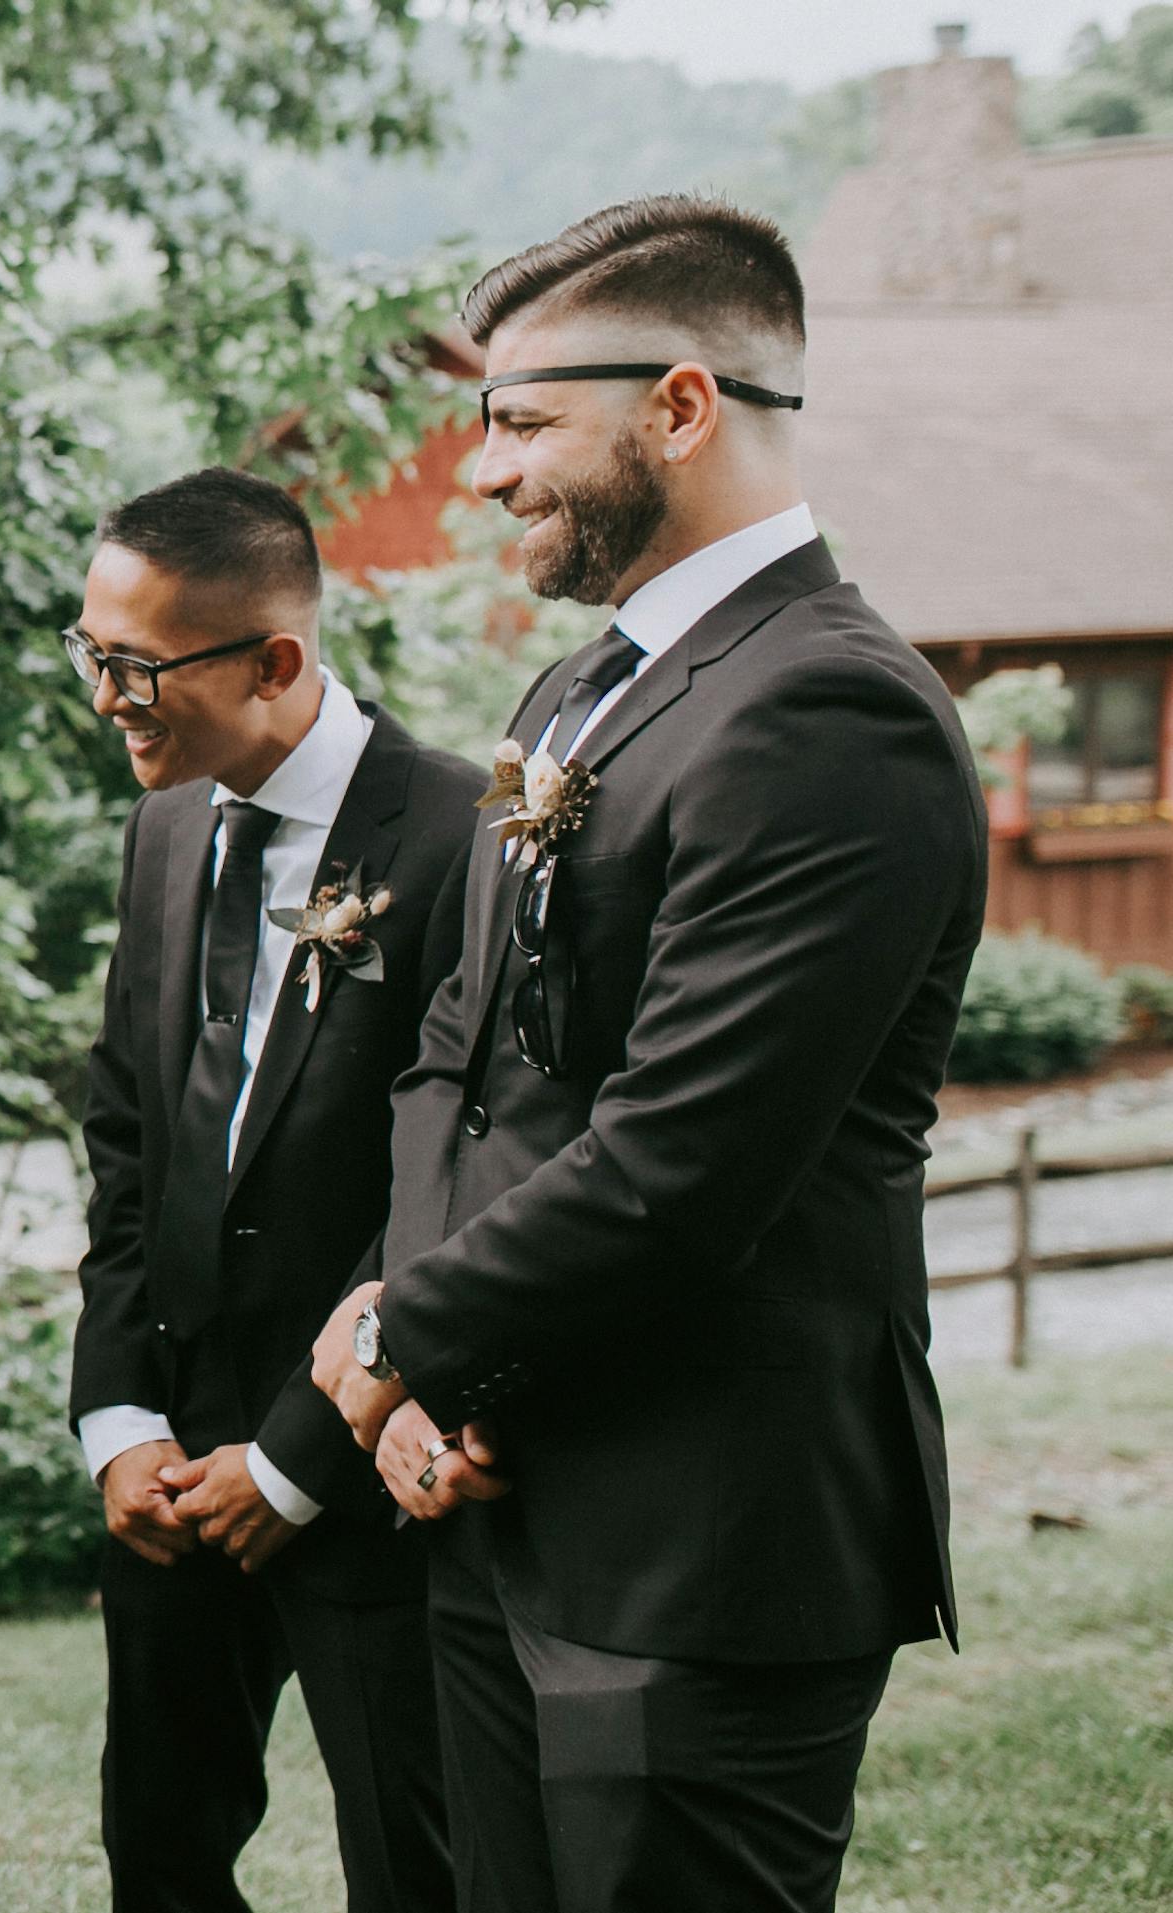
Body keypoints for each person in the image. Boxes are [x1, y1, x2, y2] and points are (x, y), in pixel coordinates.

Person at [307, 197, 985, 1913]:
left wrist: (403, 1328)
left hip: (703, 1534)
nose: (485, 471)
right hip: (499, 1490)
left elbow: (687, 1161)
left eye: (524, 420)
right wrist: (429, 1363)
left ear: (681, 406)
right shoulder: (573, 700)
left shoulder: (832, 712)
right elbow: (450, 1066)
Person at [67, 468, 478, 1913]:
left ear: (276, 662)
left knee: (416, 1869)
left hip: (363, 1477)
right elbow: (128, 1140)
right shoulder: (169, 825)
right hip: (172, 1472)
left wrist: (301, 1453)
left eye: (135, 666)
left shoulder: (459, 837)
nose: (108, 695)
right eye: (91, 652)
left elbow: (456, 1179)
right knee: (161, 1861)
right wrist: (120, 1416)